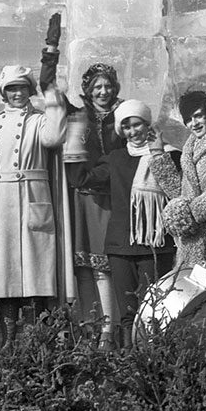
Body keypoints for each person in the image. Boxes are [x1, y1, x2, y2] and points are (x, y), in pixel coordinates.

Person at [0, 64, 74, 344]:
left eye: (22, 87)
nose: (17, 93)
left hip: (33, 197)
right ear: (3, 92)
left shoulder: (40, 120)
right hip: (0, 204)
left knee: (36, 273)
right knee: (4, 276)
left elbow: (54, 137)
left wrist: (52, 95)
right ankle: (7, 341)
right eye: (11, 88)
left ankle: (34, 340)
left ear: (30, 90)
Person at [88, 98, 181, 343]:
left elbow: (177, 190)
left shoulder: (171, 154)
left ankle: (152, 358)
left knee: (152, 309)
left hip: (156, 244)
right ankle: (129, 361)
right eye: (126, 127)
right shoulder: (115, 158)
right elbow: (86, 178)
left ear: (147, 124)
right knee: (127, 311)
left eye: (137, 124)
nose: (133, 132)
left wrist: (158, 153)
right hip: (121, 244)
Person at [63, 59, 118, 333]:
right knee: (82, 266)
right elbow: (49, 92)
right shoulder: (77, 115)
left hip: (106, 200)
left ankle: (108, 330)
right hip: (78, 201)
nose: (103, 91)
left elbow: (122, 155)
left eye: (108, 86)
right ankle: (89, 328)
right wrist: (50, 53)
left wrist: (98, 174)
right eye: (97, 86)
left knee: (102, 266)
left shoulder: (122, 115)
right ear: (88, 89)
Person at [161, 89, 206, 285]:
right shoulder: (188, 149)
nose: (195, 123)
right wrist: (159, 159)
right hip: (193, 239)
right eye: (189, 119)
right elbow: (182, 193)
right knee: (191, 294)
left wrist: (193, 212)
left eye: (198, 115)